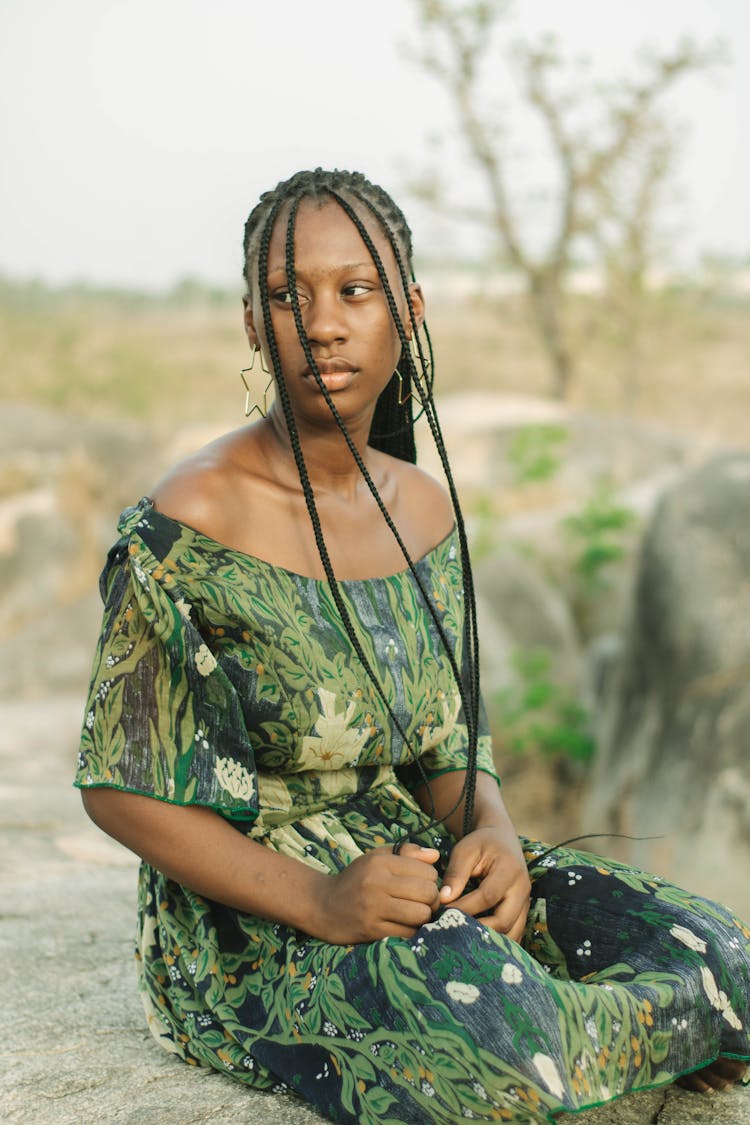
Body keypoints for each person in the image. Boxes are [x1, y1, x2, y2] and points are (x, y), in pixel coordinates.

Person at [75, 168, 749, 1125]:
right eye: (286, 295)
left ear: (410, 309)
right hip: (257, 918)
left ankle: (614, 1028)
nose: (322, 323)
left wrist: (496, 836)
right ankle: (638, 1037)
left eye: (356, 290)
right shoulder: (191, 522)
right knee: (505, 1043)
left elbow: (446, 746)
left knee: (715, 945)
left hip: (414, 864)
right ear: (251, 322)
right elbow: (119, 787)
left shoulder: (423, 511)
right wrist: (321, 900)